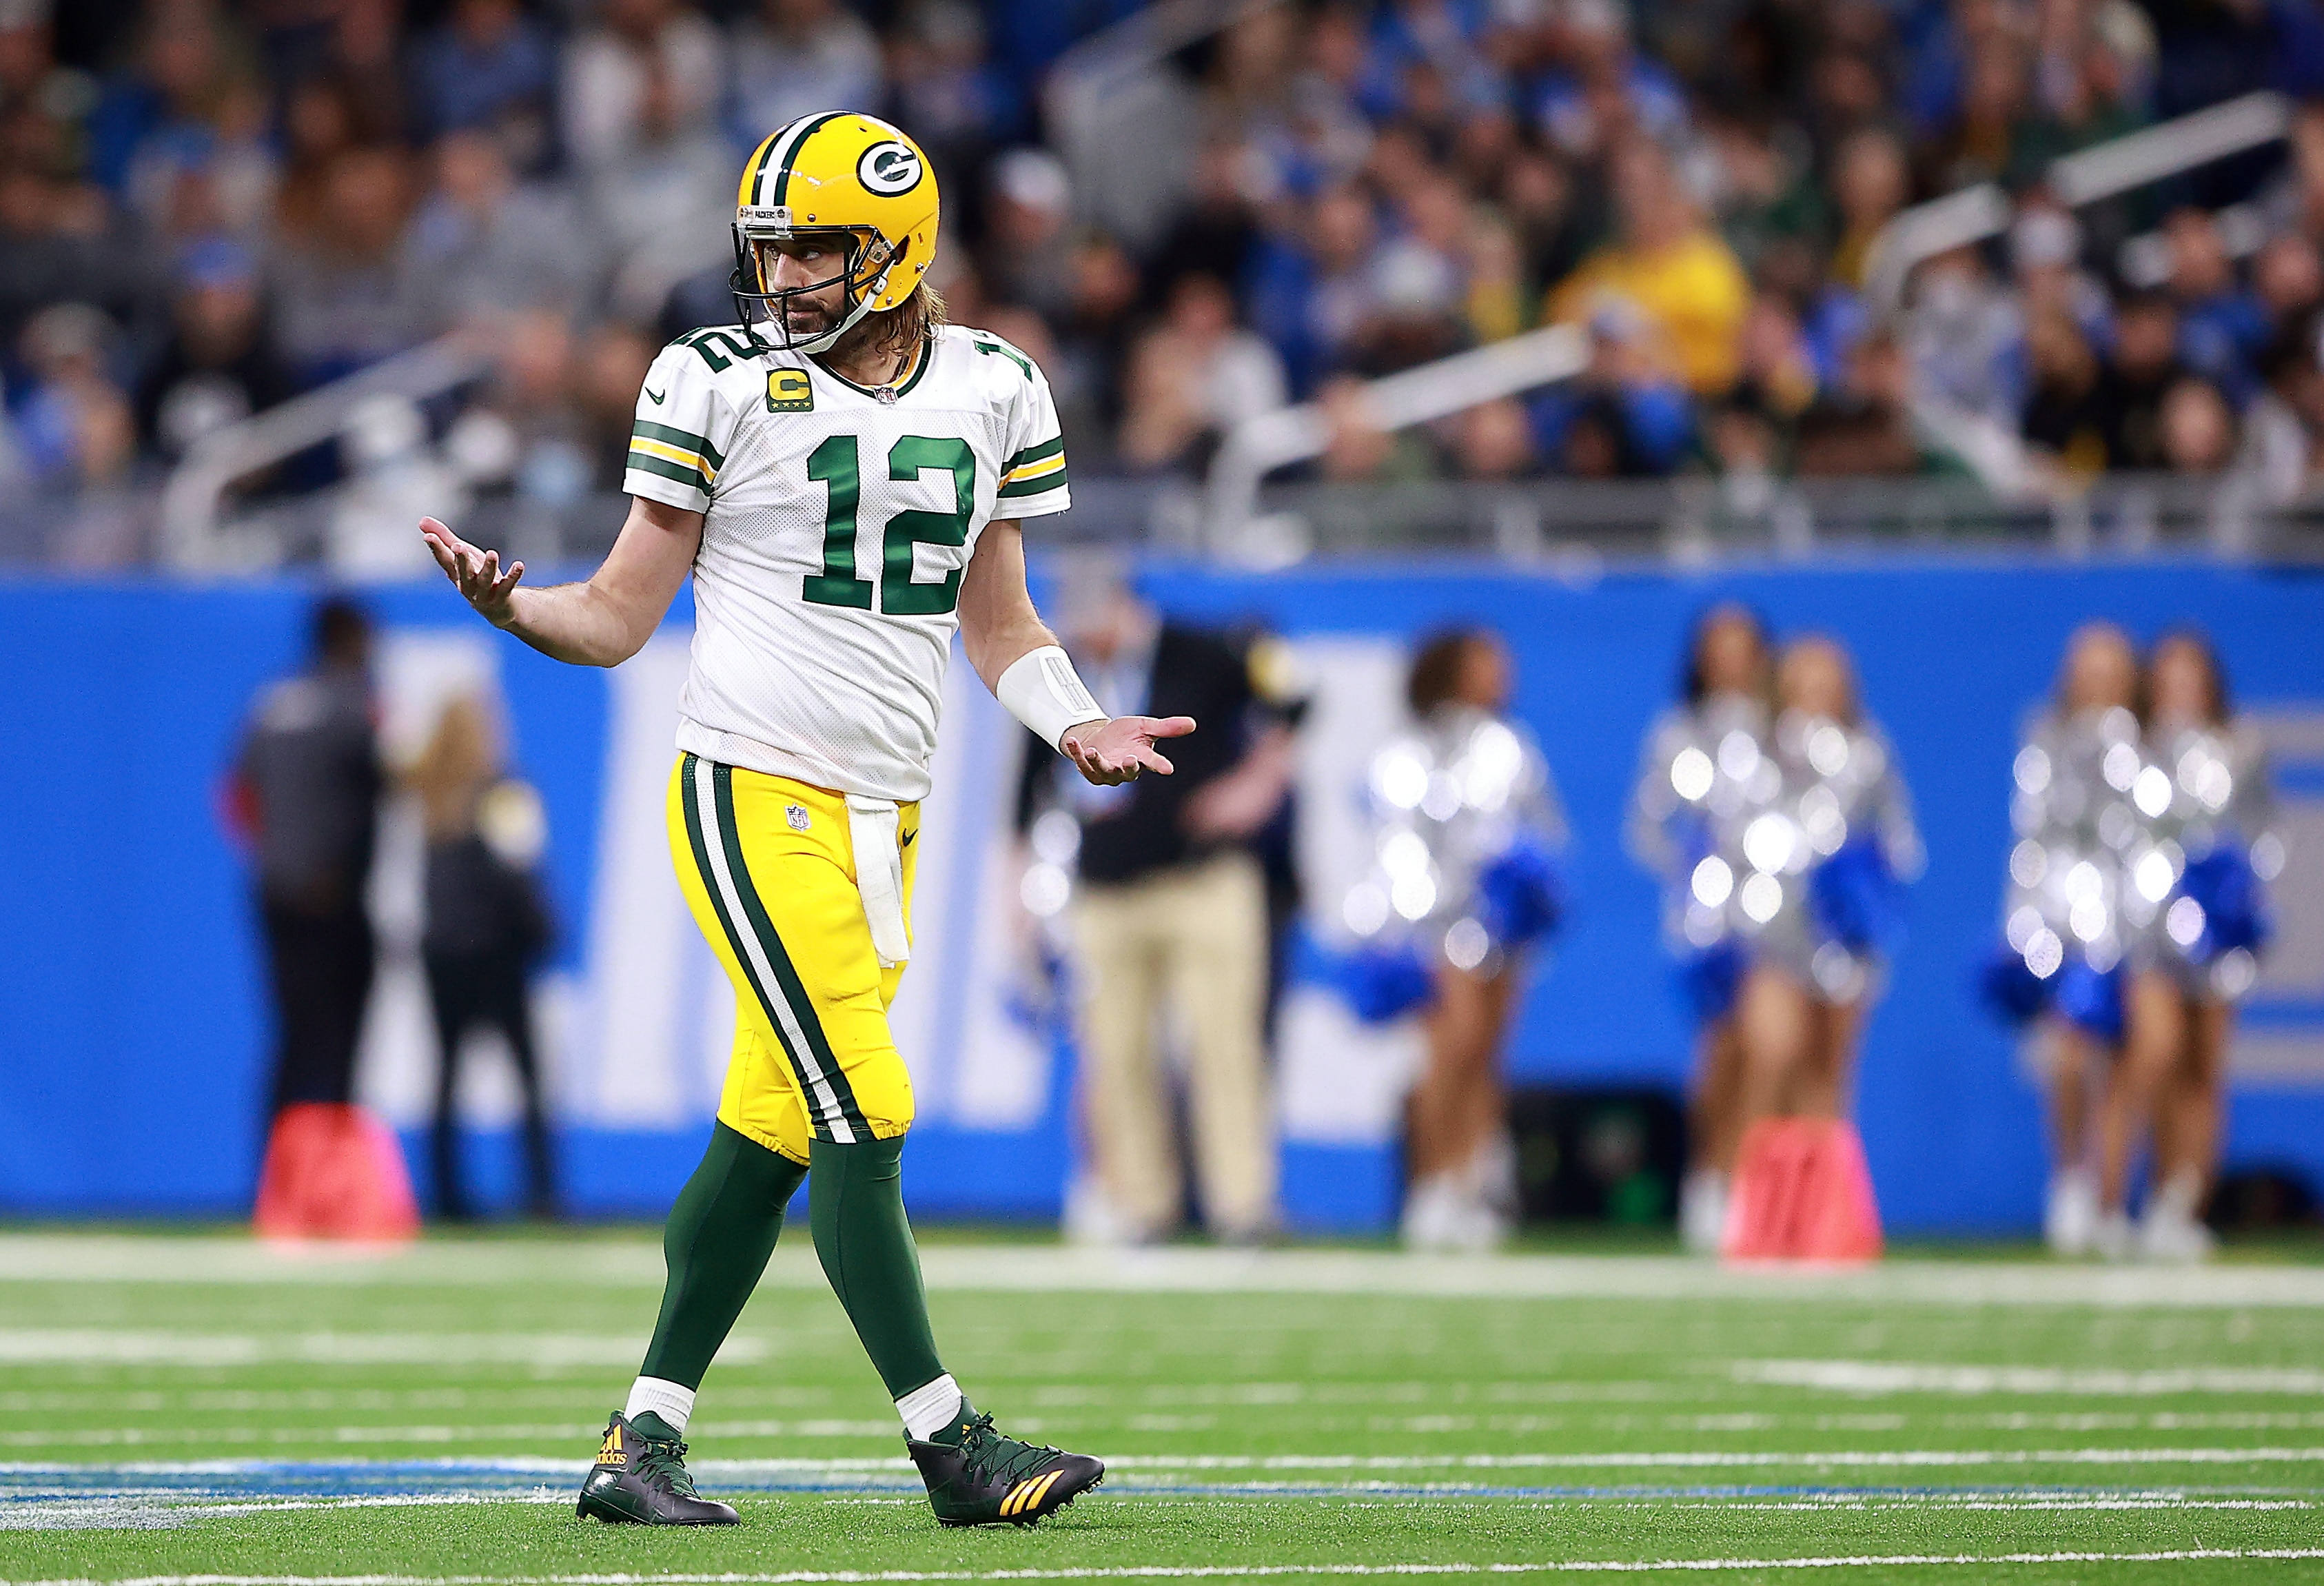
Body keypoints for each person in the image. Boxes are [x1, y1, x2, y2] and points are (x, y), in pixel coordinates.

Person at [417, 113, 1173, 1529]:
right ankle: (953, 1445)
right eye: (772, 250)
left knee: (768, 1133)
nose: (787, 279)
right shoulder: (715, 379)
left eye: (817, 249)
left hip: (890, 813)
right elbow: (621, 612)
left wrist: (1077, 717)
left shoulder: (999, 385)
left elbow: (999, 618)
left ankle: (638, 1444)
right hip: (750, 786)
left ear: (897, 250)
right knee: (867, 1107)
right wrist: (515, 603)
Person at [1035, 571, 1301, 1248]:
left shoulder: (1199, 649)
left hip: (1201, 878)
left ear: (1124, 606)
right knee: (1117, 1052)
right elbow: (1026, 788)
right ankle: (1143, 1206)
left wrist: (1258, 784)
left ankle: (1243, 1206)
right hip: (1105, 889)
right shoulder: (1061, 677)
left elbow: (1293, 699)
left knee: (1223, 1046)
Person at [1353, 629, 1565, 1251]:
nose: (1497, 674)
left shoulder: (1511, 746)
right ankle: (1432, 1185)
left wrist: (1528, 883)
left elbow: (1542, 825)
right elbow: (1394, 836)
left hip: (1501, 926)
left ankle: (1473, 1185)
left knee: (1483, 1058)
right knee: (1450, 1049)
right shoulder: (1410, 749)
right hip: (1437, 925)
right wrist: (1402, 920)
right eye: (1482, 662)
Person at [2096, 632, 2278, 1262]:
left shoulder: (2240, 747)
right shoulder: (2129, 752)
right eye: (2168, 676)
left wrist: (2238, 899)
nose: (2179, 688)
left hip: (2218, 934)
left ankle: (2181, 1205)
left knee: (2203, 1073)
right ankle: (2110, 1203)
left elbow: (2260, 835)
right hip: (2148, 934)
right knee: (2153, 1052)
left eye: (2190, 676)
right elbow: (2111, 844)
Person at [1987, 623, 2143, 1257]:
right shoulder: (2046, 740)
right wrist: (2027, 926)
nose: (2100, 680)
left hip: (2147, 929)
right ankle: (2072, 1180)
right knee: (2072, 1059)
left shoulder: (2153, 745)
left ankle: (2113, 1196)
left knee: (2137, 1061)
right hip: (2070, 926)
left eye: (2112, 667)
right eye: (2089, 666)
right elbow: (2034, 836)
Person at [1731, 637, 1921, 1140]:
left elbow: (1900, 841)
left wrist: (1862, 889)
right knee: (1772, 1054)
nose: (1816, 692)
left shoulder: (1870, 754)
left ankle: (1817, 1203)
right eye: (1804, 681)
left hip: (1844, 937)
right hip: (1773, 935)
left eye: (1827, 681)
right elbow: (1728, 837)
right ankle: (1751, 1196)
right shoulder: (1754, 752)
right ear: (1782, 688)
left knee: (1829, 1073)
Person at [1627, 603, 1773, 1253]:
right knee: (1720, 1053)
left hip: (1782, 919)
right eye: (1719, 646)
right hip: (1710, 922)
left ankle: (1753, 1185)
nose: (1730, 659)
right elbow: (1648, 826)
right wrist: (1692, 868)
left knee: (1768, 1050)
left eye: (1741, 645)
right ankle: (1708, 1179)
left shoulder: (1783, 730)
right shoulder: (1678, 733)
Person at [227, 595, 384, 1125]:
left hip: (276, 892)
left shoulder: (270, 702)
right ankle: (329, 1174)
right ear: (347, 639)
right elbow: (378, 787)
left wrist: (276, 861)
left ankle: (277, 1173)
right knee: (340, 1038)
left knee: (291, 1033)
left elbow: (237, 797)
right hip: (332, 895)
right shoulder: (351, 703)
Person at [410, 691, 557, 1222]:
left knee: (447, 1076)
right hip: (496, 953)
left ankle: (447, 1197)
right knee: (529, 1076)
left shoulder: (430, 796)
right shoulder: (503, 792)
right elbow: (521, 869)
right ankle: (542, 1195)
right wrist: (543, 930)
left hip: (442, 953)